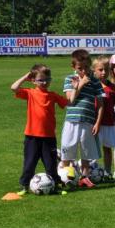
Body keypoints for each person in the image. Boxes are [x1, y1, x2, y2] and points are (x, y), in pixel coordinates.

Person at [10, 64, 69, 195]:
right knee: (29, 163)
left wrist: (76, 87)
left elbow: (67, 103)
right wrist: (26, 76)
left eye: (47, 79)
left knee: (50, 164)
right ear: (33, 80)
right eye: (41, 80)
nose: (44, 82)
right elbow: (14, 87)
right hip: (32, 136)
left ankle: (56, 185)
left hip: (49, 137)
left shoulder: (52, 95)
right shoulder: (30, 93)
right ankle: (24, 186)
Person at [61, 49, 104, 188]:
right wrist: (81, 84)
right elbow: (70, 100)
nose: (84, 70)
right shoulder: (70, 79)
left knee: (86, 151)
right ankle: (64, 176)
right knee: (68, 149)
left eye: (86, 67)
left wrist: (97, 122)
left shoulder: (95, 81)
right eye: (80, 68)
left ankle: (84, 177)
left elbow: (101, 104)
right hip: (72, 121)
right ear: (73, 67)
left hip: (88, 121)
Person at [92, 55, 115, 179]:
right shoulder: (91, 86)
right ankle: (92, 173)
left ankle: (108, 172)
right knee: (93, 149)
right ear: (94, 70)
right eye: (100, 70)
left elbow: (113, 106)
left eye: (106, 70)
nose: (104, 72)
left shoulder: (113, 87)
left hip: (108, 123)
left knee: (107, 149)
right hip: (94, 123)